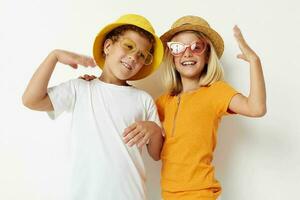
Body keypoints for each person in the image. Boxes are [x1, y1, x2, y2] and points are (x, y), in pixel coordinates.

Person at [22, 14, 164, 200]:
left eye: (142, 55)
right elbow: (31, 100)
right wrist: (54, 56)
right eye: (129, 46)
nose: (133, 57)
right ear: (108, 46)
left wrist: (154, 130)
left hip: (131, 194)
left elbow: (156, 154)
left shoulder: (143, 99)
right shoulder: (80, 88)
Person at [155, 16, 267, 200]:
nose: (187, 53)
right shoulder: (162, 102)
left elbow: (256, 108)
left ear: (207, 56)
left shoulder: (216, 92)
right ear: (171, 56)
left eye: (196, 47)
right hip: (168, 196)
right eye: (178, 47)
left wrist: (254, 61)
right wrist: (94, 84)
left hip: (202, 194)